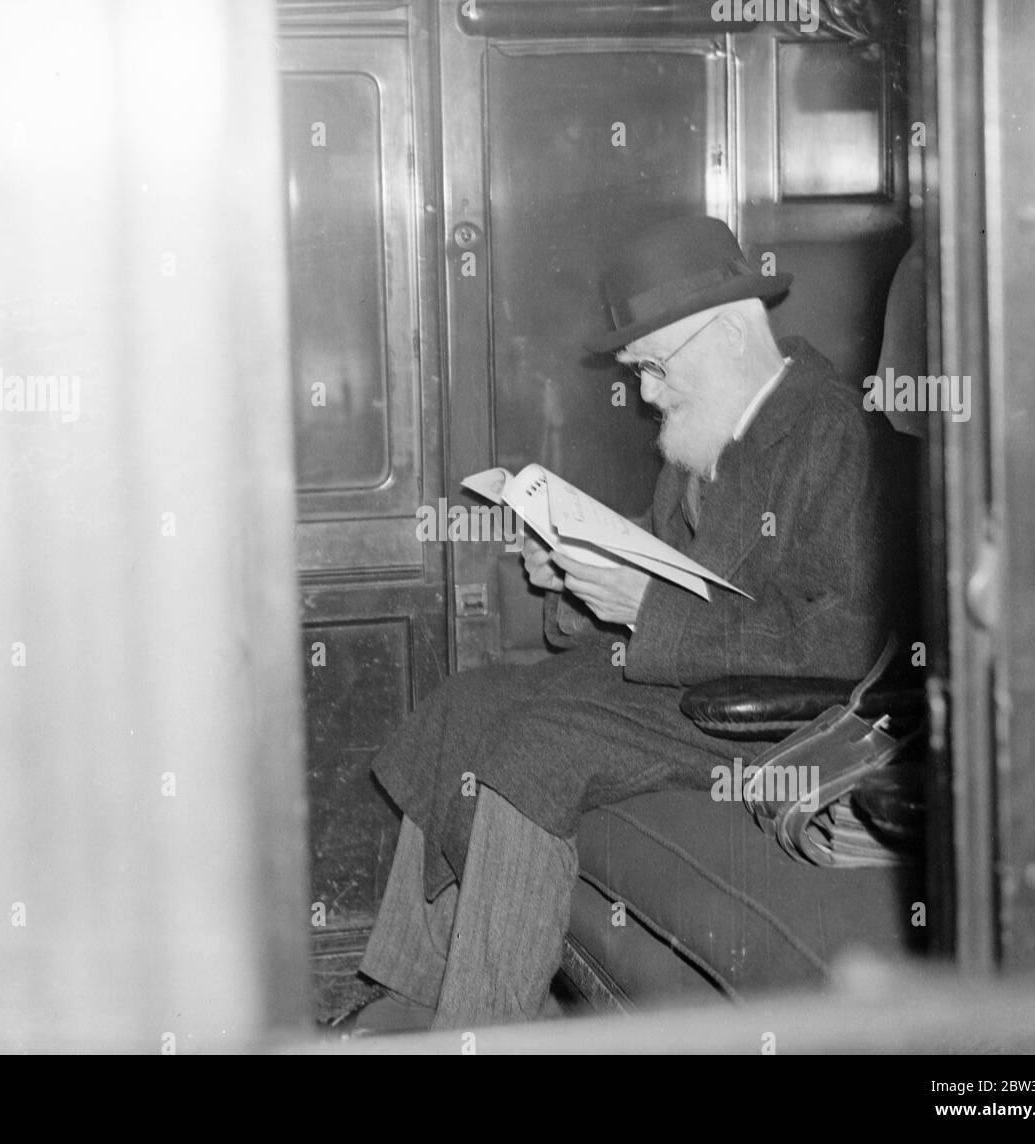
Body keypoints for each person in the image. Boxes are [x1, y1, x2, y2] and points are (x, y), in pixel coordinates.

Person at [340, 215, 903, 1035]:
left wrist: (643, 608)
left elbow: (845, 646)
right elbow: (664, 565)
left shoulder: (834, 434)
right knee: (468, 701)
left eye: (653, 367)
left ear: (729, 330)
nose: (643, 394)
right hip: (689, 681)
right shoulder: (709, 430)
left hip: (774, 716)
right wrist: (570, 575)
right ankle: (416, 988)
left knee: (542, 747)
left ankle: (485, 1026)